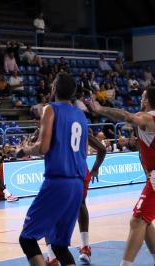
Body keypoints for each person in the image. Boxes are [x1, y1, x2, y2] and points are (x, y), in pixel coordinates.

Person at [18, 72, 88, 266]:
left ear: (54, 88)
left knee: (27, 238)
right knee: (59, 246)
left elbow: (43, 147)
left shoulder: (50, 109)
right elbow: (84, 152)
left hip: (58, 181)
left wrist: (24, 149)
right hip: (77, 185)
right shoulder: (81, 115)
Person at [90, 87, 155, 266]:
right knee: (145, 221)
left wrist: (100, 109)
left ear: (147, 100)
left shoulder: (148, 118)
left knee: (137, 221)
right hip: (152, 175)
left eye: (142, 96)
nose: (140, 99)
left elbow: (127, 116)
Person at [45, 134, 106, 265]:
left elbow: (40, 149)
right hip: (81, 171)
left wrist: (27, 147)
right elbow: (102, 149)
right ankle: (85, 248)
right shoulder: (80, 126)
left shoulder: (53, 126)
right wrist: (95, 168)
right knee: (81, 205)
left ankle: (52, 258)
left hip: (62, 173)